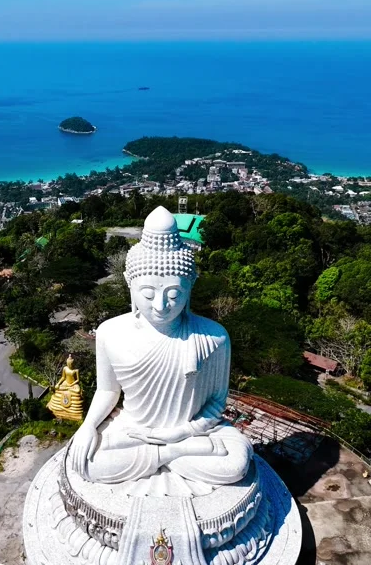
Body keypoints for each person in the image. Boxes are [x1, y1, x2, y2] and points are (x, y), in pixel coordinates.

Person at [69, 207, 252, 486]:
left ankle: (170, 451)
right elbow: (107, 391)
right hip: (133, 429)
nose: (160, 306)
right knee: (86, 463)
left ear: (190, 286)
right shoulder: (110, 332)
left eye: (174, 294)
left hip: (192, 433)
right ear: (130, 284)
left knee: (235, 465)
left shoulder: (213, 338)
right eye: (148, 293)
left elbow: (216, 404)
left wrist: (181, 433)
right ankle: (174, 455)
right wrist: (88, 426)